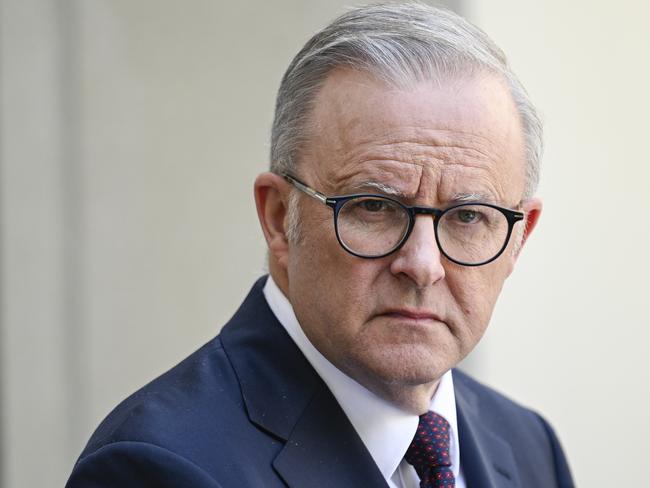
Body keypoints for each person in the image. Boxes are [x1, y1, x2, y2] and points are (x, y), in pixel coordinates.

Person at [66, 3, 574, 487]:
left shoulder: (530, 447)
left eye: (468, 216)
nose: (422, 265)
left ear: (519, 238)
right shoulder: (158, 467)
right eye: (374, 207)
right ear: (277, 217)